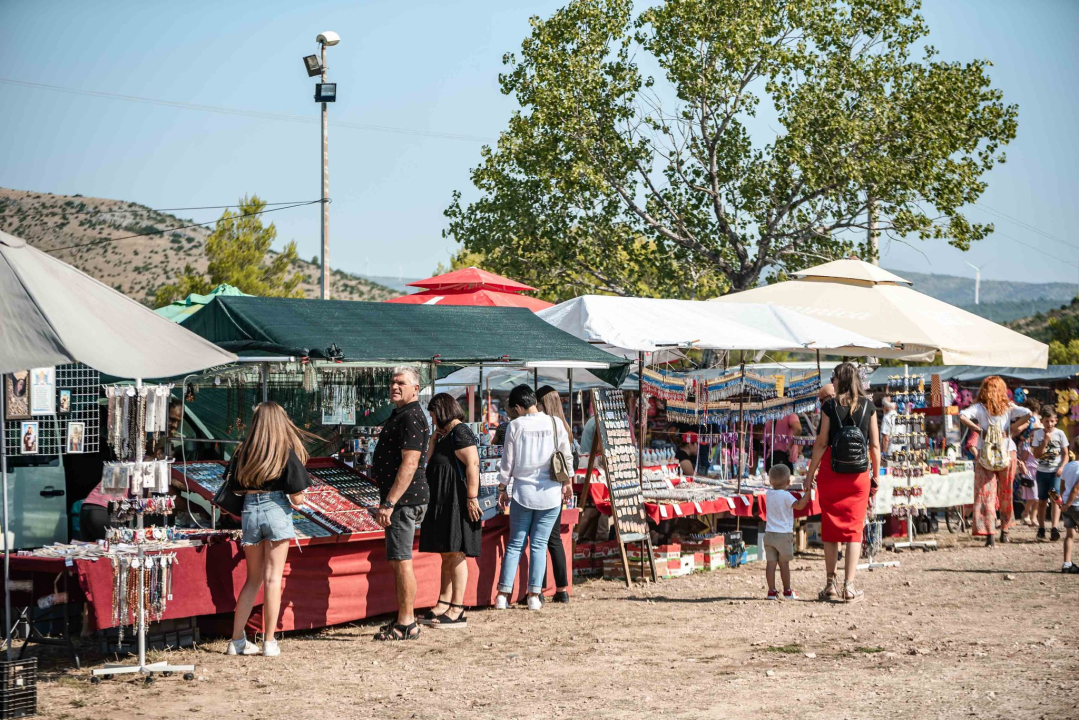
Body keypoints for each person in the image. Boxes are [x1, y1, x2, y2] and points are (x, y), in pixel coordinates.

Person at [226, 402, 313, 657]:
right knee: (273, 578)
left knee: (252, 579)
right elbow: (297, 498)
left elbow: (236, 489)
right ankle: (269, 641)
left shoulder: (243, 452)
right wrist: (301, 500)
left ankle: (236, 641)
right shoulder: (284, 452)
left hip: (249, 512)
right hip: (276, 510)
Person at [805, 363, 879, 603]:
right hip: (858, 478)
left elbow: (821, 443)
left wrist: (809, 474)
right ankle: (849, 586)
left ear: (839, 380)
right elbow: (875, 447)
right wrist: (875, 477)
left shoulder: (829, 406)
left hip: (831, 474)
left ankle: (830, 585)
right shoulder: (869, 406)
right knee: (854, 531)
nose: (832, 381)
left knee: (831, 529)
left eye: (833, 377)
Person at [495, 385, 573, 611]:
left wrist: (502, 488)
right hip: (550, 494)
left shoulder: (515, 426)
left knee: (515, 544)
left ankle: (502, 595)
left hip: (522, 493)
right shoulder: (555, 423)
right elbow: (565, 457)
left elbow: (507, 463)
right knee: (539, 545)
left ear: (518, 407)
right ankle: (533, 596)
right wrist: (567, 483)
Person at [371, 366, 431, 641]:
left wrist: (390, 502)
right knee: (399, 561)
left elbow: (410, 462)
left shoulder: (411, 417)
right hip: (403, 500)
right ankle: (404, 619)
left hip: (404, 502)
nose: (395, 387)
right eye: (393, 382)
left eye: (401, 383)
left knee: (401, 561)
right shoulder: (404, 415)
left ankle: (407, 623)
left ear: (415, 389)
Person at [418, 393, 481, 628]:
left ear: (442, 411)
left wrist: (471, 498)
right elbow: (430, 461)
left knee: (456, 553)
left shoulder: (461, 432)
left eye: (433, 414)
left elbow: (473, 464)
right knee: (446, 553)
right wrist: (434, 439)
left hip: (457, 501)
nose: (432, 419)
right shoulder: (447, 435)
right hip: (444, 501)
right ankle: (443, 602)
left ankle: (457, 607)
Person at [959, 377, 1031, 546]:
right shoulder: (1008, 407)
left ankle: (989, 533)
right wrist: (1013, 428)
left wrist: (979, 429)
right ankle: (1005, 529)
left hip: (986, 453)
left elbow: (962, 416)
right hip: (1007, 450)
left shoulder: (979, 407)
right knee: (1006, 492)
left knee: (986, 493)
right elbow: (1028, 414)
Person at [536, 386, 571, 603]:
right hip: (557, 488)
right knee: (553, 539)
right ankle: (562, 590)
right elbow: (567, 459)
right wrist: (567, 484)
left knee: (539, 540)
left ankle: (537, 588)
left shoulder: (543, 425)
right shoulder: (562, 426)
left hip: (541, 488)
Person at [763, 464, 814, 600]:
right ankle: (787, 591)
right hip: (783, 534)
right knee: (784, 564)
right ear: (788, 482)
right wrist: (808, 493)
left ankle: (771, 591)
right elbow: (800, 505)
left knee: (771, 564)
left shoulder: (768, 494)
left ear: (770, 481)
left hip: (769, 533)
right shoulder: (787, 496)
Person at [1032, 405, 1069, 542]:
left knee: (1055, 498)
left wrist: (1062, 467)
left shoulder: (1060, 434)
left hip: (1055, 473)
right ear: (1042, 421)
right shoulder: (1038, 434)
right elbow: (1036, 454)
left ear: (1056, 421)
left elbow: (1065, 454)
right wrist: (1045, 441)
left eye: (1052, 421)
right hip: (1042, 472)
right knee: (1042, 500)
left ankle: (1054, 527)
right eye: (1047, 421)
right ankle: (1041, 527)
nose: (1049, 424)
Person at [1059, 459, 1079, 573]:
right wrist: (1068, 504)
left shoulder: (1067, 466)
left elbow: (1062, 486)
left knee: (1070, 535)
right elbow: (1076, 489)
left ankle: (1067, 564)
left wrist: (1063, 503)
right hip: (1076, 504)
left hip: (1067, 505)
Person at [879, 399, 897, 463]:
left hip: (889, 454)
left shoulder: (887, 417)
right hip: (900, 452)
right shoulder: (899, 416)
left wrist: (883, 455)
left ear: (884, 407)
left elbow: (885, 438)